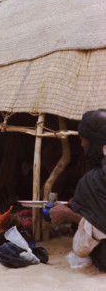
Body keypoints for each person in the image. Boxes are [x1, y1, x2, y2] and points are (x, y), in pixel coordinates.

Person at [50, 109, 106, 271]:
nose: (81, 145)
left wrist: (72, 216)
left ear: (95, 141)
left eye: (83, 140)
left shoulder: (94, 181)